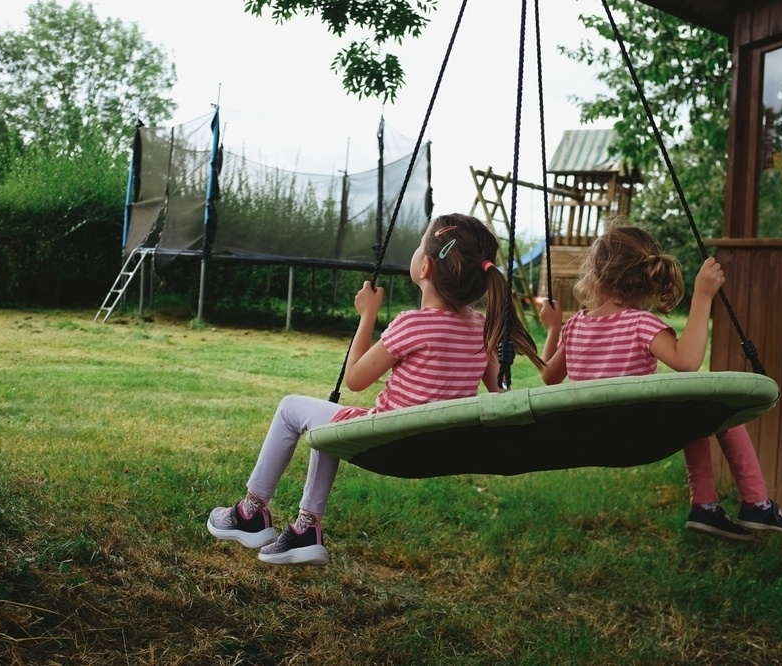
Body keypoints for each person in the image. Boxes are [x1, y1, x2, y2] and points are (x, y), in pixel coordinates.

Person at [208, 213, 545, 565]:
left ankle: (250, 512)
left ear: (425, 267)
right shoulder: (481, 329)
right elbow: (497, 391)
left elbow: (355, 379)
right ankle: (306, 529)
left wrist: (367, 314)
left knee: (291, 408)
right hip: (440, 447)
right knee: (331, 426)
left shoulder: (412, 324)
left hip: (388, 438)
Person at [538, 224, 782, 542]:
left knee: (692, 410)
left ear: (596, 273)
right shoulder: (640, 324)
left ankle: (706, 507)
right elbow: (687, 362)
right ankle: (756, 503)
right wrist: (703, 296)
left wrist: (553, 329)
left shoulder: (575, 325)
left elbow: (548, 376)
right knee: (717, 410)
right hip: (636, 436)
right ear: (647, 279)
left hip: (590, 436)